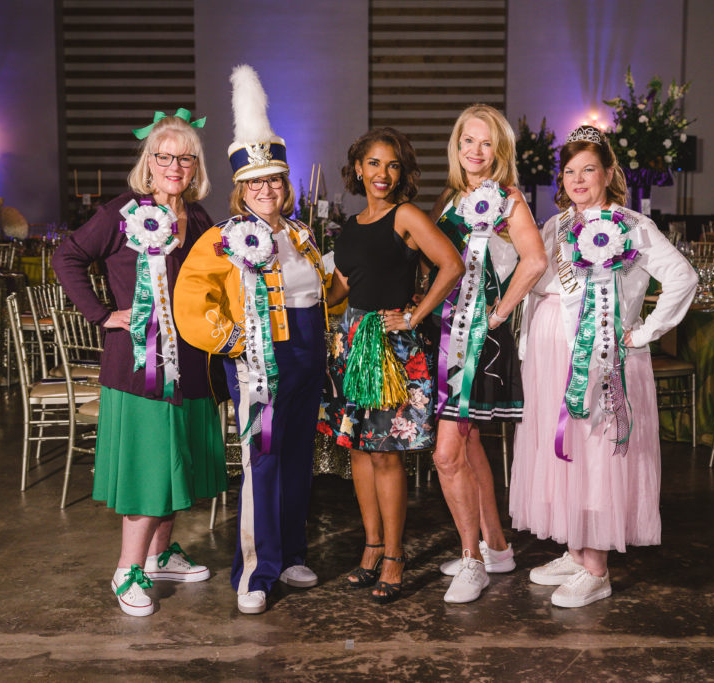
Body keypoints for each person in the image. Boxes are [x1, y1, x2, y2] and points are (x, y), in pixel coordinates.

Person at [509, 125, 697, 608]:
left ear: (608, 172)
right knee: (563, 453)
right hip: (552, 363)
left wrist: (644, 331)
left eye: (588, 169)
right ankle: (575, 549)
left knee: (593, 455)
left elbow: (682, 277)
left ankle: (596, 569)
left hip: (600, 363)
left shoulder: (630, 225)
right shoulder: (552, 226)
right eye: (569, 171)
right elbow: (537, 290)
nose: (577, 179)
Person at [53, 109, 227, 617]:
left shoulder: (198, 218)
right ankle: (126, 571)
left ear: (195, 166)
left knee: (178, 465)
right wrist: (104, 314)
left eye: (185, 158)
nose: (174, 165)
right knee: (148, 469)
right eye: (164, 156)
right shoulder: (121, 211)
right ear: (147, 163)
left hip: (192, 365)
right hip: (138, 366)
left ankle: (160, 555)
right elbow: (68, 256)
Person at [174, 65, 328, 616]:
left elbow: (322, 293)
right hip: (262, 363)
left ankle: (288, 554)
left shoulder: (300, 234)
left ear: (286, 186)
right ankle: (255, 573)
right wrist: (235, 340)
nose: (267, 190)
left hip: (309, 358)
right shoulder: (222, 239)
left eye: (275, 181)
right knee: (261, 460)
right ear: (242, 189)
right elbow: (191, 302)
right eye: (256, 183)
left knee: (295, 459)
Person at [320, 127, 464, 605]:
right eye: (374, 164)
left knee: (385, 453)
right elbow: (340, 290)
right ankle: (371, 547)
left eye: (393, 165)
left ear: (401, 173)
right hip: (351, 343)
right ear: (358, 169)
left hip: (389, 350)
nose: (383, 174)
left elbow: (451, 264)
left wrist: (414, 316)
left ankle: (396, 556)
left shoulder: (406, 216)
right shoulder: (350, 225)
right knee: (359, 451)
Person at [425, 104, 548, 604]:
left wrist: (498, 315)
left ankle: (472, 562)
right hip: (445, 334)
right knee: (468, 443)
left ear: (499, 151)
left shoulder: (510, 200)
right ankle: (496, 547)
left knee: (447, 453)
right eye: (467, 141)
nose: (475, 151)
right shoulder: (450, 198)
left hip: (480, 340)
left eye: (485, 143)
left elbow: (536, 260)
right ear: (456, 147)